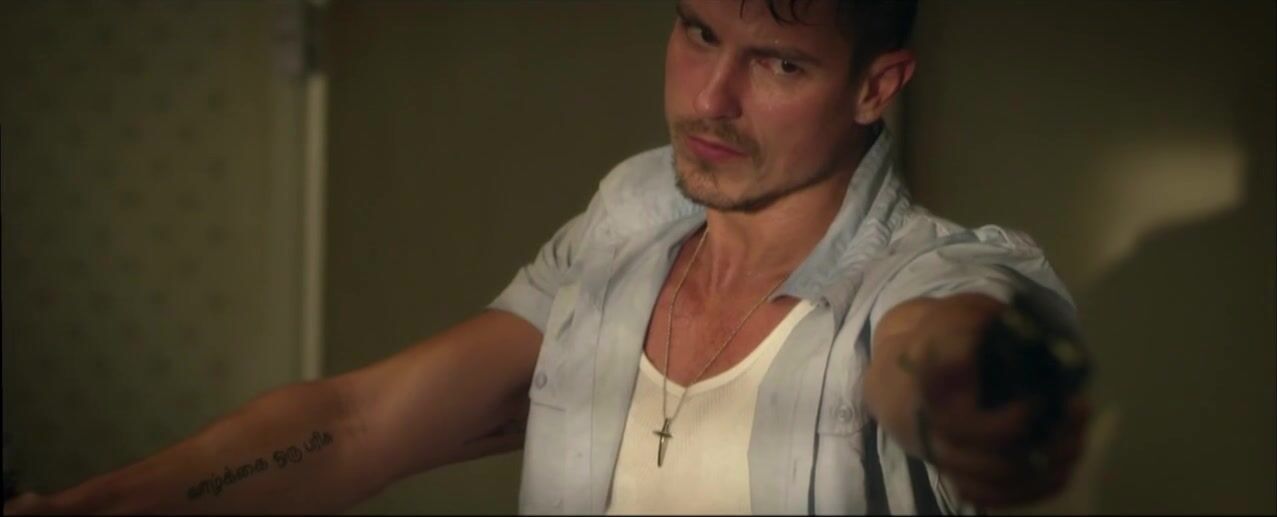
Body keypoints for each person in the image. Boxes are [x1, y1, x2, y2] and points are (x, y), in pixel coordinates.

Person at [3, 0, 1090, 514]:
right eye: (698, 34)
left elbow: (933, 344)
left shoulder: (925, 277)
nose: (710, 100)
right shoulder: (626, 222)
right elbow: (360, 423)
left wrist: (968, 388)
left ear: (874, 87)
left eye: (777, 64)